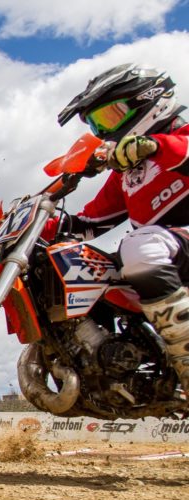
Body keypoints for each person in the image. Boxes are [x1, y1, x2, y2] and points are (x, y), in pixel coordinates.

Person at [53, 64, 189, 389]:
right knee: (83, 269)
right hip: (166, 261)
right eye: (97, 125)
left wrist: (156, 146)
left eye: (110, 117)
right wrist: (32, 223)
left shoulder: (179, 139)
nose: (104, 132)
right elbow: (89, 221)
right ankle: (118, 373)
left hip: (172, 247)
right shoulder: (126, 175)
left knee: (139, 246)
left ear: (148, 100)